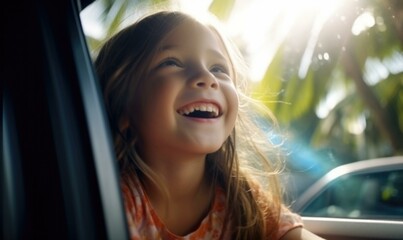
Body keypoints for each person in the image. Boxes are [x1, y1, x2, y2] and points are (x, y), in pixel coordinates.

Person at [94, 9, 324, 240]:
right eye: (171, 62)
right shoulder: (116, 200)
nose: (207, 77)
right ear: (122, 106)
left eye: (218, 69)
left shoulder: (241, 197)